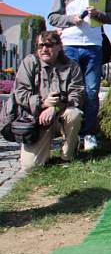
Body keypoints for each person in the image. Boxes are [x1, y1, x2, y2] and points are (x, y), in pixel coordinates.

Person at [48, 0, 111, 151]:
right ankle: (69, 135)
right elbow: (52, 17)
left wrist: (100, 15)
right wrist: (71, 20)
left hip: (93, 46)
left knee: (92, 91)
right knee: (69, 91)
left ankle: (89, 133)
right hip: (70, 45)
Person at [14, 31, 84, 171]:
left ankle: (67, 156)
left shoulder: (72, 66)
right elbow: (20, 94)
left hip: (60, 117)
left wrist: (55, 108)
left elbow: (77, 95)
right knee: (31, 167)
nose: (44, 49)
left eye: (49, 45)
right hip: (37, 120)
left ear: (59, 46)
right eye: (40, 46)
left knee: (74, 114)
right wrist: (43, 103)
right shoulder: (29, 63)